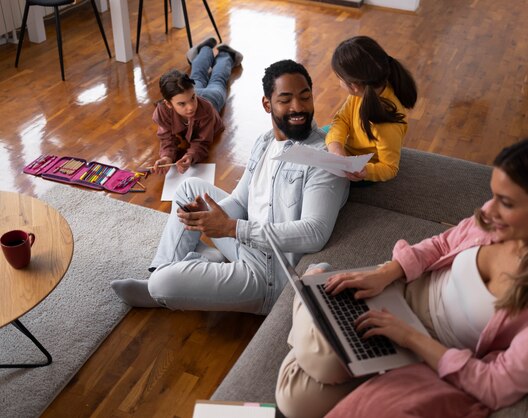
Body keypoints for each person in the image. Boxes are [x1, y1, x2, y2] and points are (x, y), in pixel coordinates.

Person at [275, 134, 528, 418]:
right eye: (494, 195)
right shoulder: (500, 222)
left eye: (507, 203)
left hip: (428, 353)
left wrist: (410, 338)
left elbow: (501, 384)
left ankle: (312, 290)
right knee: (325, 366)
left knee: (295, 403)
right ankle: (316, 292)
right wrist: (389, 271)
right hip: (404, 294)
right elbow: (443, 243)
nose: (489, 211)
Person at [111, 60, 350, 315]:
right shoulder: (265, 141)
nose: (298, 107)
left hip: (266, 275)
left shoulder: (323, 157)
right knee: (189, 188)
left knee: (163, 284)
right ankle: (164, 272)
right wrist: (207, 217)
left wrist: (230, 228)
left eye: (305, 97)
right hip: (244, 241)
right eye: (286, 100)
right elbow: (240, 201)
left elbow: (314, 233)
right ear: (267, 104)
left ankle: (161, 284)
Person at [325, 36, 417, 182]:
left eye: (339, 78)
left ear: (353, 85)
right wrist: (336, 148)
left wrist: (365, 171)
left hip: (360, 169)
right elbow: (342, 119)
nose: (339, 81)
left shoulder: (387, 125)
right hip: (346, 153)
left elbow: (389, 168)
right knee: (319, 133)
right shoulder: (361, 92)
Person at [151, 38, 243, 174]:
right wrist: (166, 157)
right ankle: (205, 49)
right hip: (194, 92)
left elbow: (202, 142)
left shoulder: (206, 108)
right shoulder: (162, 111)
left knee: (218, 79)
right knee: (197, 76)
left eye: (191, 99)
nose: (191, 107)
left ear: (191, 91)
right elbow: (166, 138)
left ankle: (225, 53)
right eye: (182, 104)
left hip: (212, 98)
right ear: (168, 104)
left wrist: (190, 156)